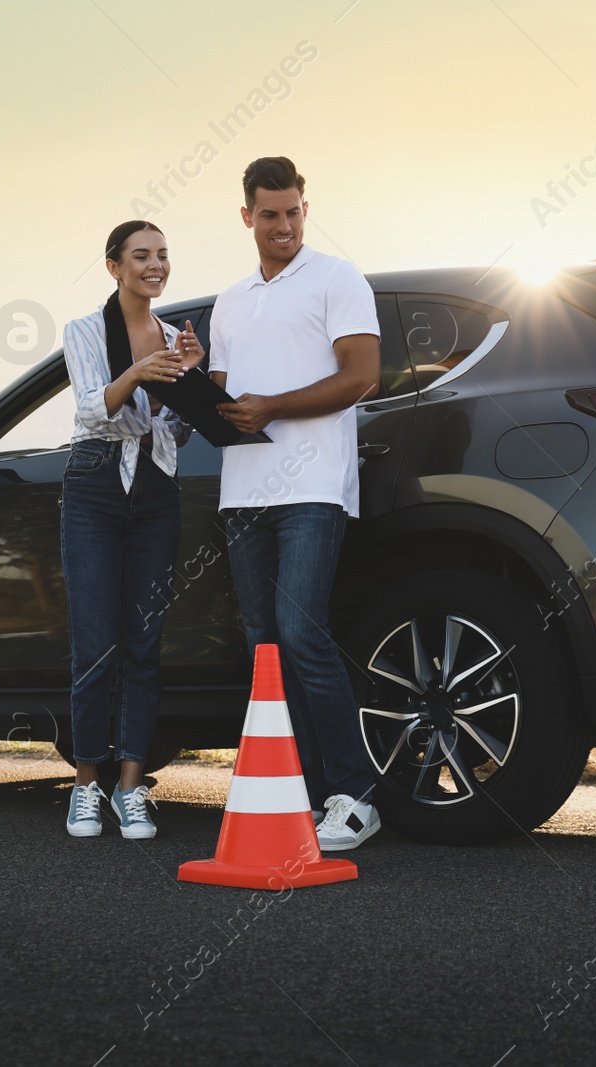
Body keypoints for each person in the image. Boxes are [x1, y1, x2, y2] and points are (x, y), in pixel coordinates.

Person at [209, 157, 383, 851]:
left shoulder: (338, 279)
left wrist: (273, 405)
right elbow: (224, 399)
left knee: (303, 634)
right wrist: (196, 379)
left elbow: (362, 377)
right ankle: (304, 797)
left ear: (305, 208)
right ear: (246, 216)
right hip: (242, 491)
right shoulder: (228, 299)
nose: (283, 226)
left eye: (294, 211)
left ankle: (355, 796)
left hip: (311, 487)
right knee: (265, 647)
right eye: (270, 214)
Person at [60, 220, 204, 840]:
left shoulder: (176, 337)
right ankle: (85, 786)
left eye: (163, 255)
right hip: (94, 486)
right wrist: (140, 372)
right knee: (96, 643)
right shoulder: (85, 330)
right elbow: (92, 408)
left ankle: (130, 788)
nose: (155, 265)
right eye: (141, 256)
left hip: (156, 491)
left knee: (144, 642)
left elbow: (176, 432)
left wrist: (192, 380)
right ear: (114, 266)